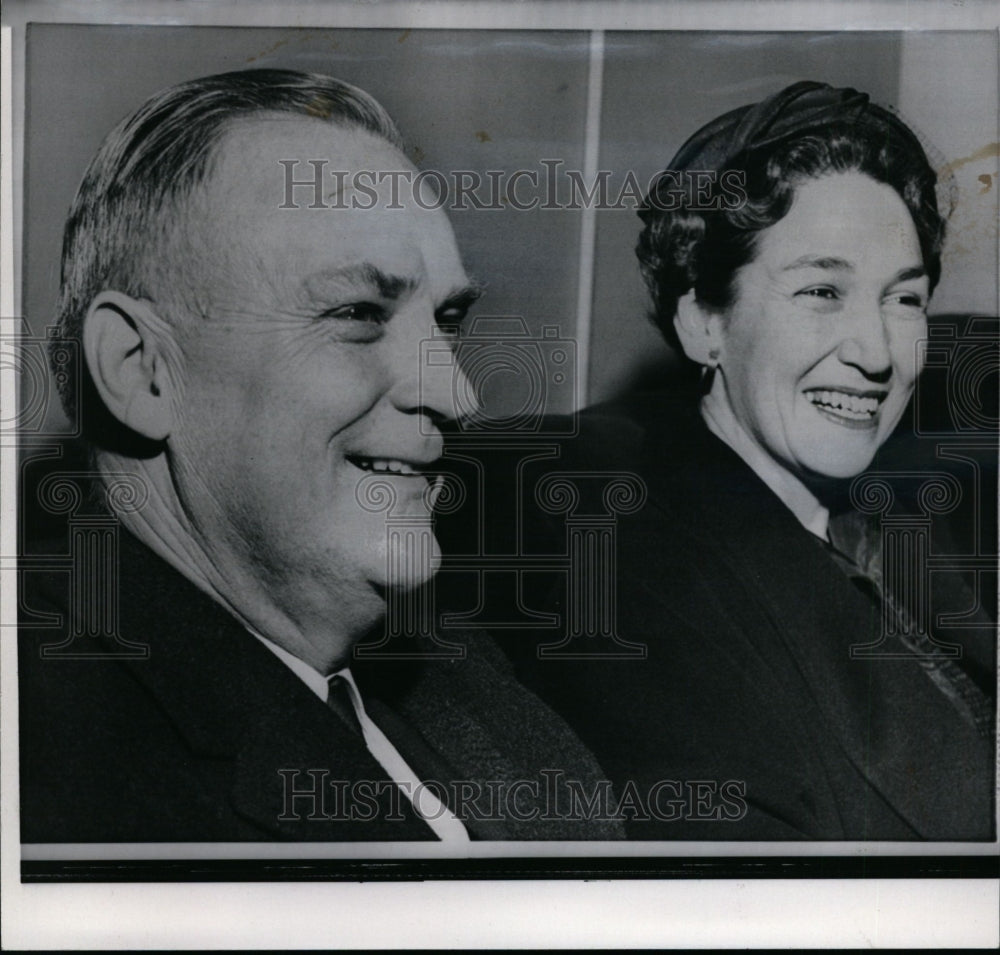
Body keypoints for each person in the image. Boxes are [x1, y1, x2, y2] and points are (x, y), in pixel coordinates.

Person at [17, 69, 621, 843]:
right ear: (141, 369)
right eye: (358, 314)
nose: (459, 395)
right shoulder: (60, 779)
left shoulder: (465, 682)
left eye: (447, 320)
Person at [497, 81, 996, 840]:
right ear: (704, 323)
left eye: (905, 300)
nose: (876, 353)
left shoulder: (898, 518)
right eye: (823, 290)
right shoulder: (640, 595)